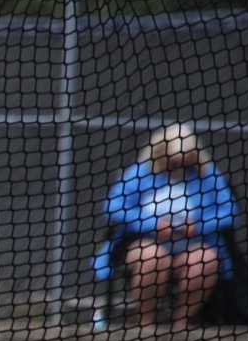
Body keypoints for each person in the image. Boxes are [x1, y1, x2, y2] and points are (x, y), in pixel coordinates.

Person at [102, 124, 238, 329]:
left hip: (194, 244)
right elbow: (112, 207)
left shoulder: (207, 175)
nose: (179, 170)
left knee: (205, 260)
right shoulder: (141, 172)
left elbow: (229, 211)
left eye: (185, 164)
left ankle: (181, 324)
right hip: (146, 242)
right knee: (152, 258)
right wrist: (153, 225)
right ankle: (145, 324)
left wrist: (199, 226)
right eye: (174, 164)